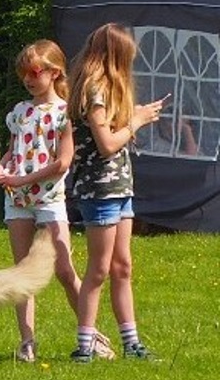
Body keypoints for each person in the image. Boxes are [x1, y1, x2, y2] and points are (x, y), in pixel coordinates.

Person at [0, 40, 114, 363]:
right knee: (22, 271)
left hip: (49, 199)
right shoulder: (20, 112)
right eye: (24, 74)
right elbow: (15, 149)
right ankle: (27, 342)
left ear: (54, 72)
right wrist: (2, 166)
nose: (28, 80)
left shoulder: (64, 113)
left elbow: (62, 162)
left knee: (63, 269)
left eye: (34, 72)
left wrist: (22, 179)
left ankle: (91, 335)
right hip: (17, 200)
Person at [67, 23, 167, 362]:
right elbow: (107, 145)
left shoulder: (109, 90)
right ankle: (85, 345)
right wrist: (136, 121)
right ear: (116, 57)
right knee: (99, 269)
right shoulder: (95, 91)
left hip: (120, 188)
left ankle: (131, 343)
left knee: (122, 266)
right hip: (100, 190)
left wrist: (135, 116)